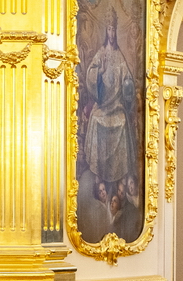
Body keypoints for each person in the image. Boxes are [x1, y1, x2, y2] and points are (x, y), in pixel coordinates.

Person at [83, 7, 136, 185]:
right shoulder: (101, 54)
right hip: (103, 106)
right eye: (109, 29)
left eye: (114, 30)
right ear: (106, 31)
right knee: (95, 120)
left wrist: (128, 83)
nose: (112, 34)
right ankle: (98, 173)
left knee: (123, 122)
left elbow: (128, 78)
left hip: (116, 106)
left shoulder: (119, 56)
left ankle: (121, 177)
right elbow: (90, 74)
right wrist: (100, 72)